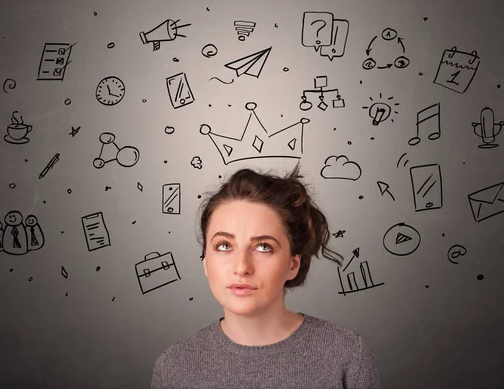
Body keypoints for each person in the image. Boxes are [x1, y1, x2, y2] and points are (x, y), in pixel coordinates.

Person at [151, 162, 381, 388]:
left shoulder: (348, 355)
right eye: (223, 246)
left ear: (293, 264)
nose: (241, 267)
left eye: (263, 247)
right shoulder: (174, 368)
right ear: (205, 262)